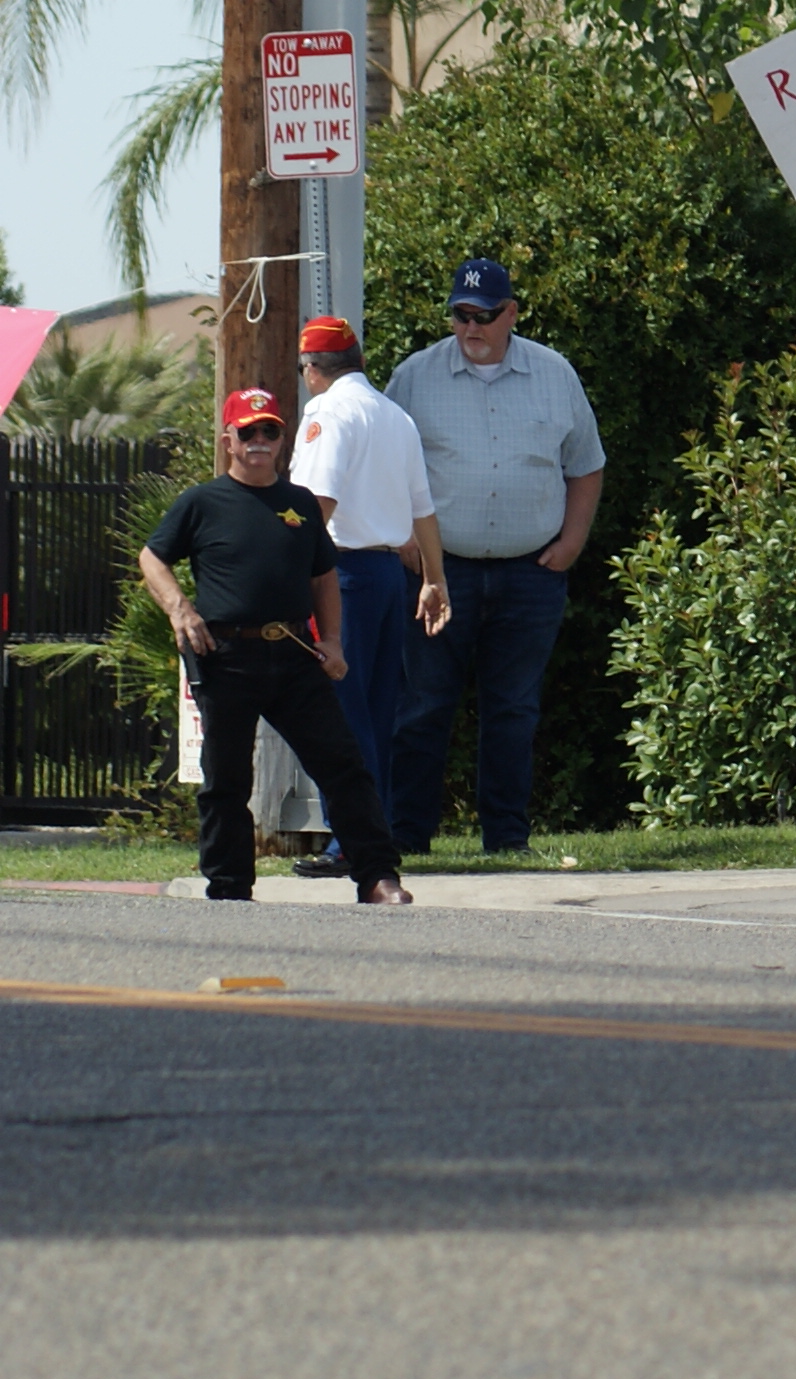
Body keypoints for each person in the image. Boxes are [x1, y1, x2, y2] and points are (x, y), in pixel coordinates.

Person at [138, 389, 411, 905]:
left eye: (270, 431)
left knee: (342, 765)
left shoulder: (300, 503)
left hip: (291, 651)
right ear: (229, 441)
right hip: (226, 655)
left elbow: (324, 576)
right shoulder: (201, 502)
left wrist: (331, 640)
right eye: (248, 433)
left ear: (284, 440)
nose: (259, 442)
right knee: (226, 779)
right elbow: (152, 558)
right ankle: (230, 886)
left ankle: (378, 876)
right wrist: (180, 609)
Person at [384, 258, 605, 858]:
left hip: (530, 572)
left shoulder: (554, 374)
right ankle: (408, 834)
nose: (471, 327)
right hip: (439, 573)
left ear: (512, 314)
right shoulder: (414, 377)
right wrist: (405, 542)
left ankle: (506, 838)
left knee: (514, 708)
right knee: (424, 706)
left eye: (484, 316)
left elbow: (585, 465)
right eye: (461, 314)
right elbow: (380, 467)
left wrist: (573, 542)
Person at [280, 316, 448, 875]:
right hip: (383, 574)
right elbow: (422, 508)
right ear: (358, 361)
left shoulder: (329, 412)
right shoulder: (394, 415)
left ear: (311, 369)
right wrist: (434, 579)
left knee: (339, 713)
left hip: (340, 574)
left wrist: (284, 568)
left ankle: (351, 837)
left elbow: (316, 503)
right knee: (375, 712)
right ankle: (375, 833)